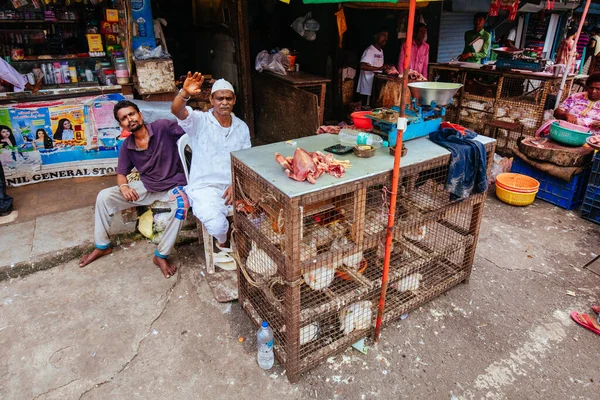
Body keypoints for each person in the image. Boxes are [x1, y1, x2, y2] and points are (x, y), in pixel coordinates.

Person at [79, 100, 189, 279]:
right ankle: (102, 246)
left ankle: (161, 255)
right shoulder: (128, 146)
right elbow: (121, 173)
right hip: (147, 186)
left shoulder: (162, 127)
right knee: (104, 196)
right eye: (123, 118)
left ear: (140, 115)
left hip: (173, 185)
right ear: (121, 124)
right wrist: (123, 187)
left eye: (131, 114)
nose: (129, 119)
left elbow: (191, 130)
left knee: (182, 205)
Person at [171, 74, 251, 254]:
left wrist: (234, 182)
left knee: (259, 214)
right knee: (217, 225)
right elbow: (177, 110)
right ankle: (223, 243)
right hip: (204, 188)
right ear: (211, 100)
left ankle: (237, 237)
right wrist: (184, 93)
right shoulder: (199, 121)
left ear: (234, 100)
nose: (224, 102)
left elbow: (245, 160)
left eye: (228, 98)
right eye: (219, 98)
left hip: (233, 185)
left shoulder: (241, 127)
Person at [357, 29, 390, 105]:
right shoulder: (369, 50)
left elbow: (379, 67)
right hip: (367, 87)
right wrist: (378, 68)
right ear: (376, 36)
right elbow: (362, 65)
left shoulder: (381, 51)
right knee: (366, 107)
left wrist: (385, 68)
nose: (386, 38)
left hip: (374, 86)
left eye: (387, 36)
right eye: (383, 35)